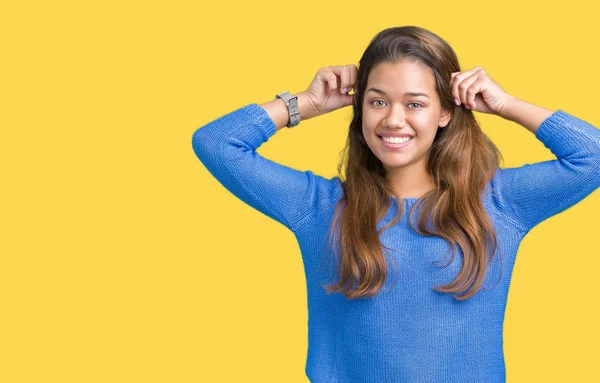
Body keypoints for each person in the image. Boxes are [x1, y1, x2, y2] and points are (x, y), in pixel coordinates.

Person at [191, 26, 600, 383]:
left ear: (446, 111)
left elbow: (592, 156)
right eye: (378, 101)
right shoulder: (320, 207)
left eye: (415, 103)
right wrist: (307, 103)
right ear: (359, 107)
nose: (393, 120)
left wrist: (505, 104)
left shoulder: (497, 203)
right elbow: (216, 143)